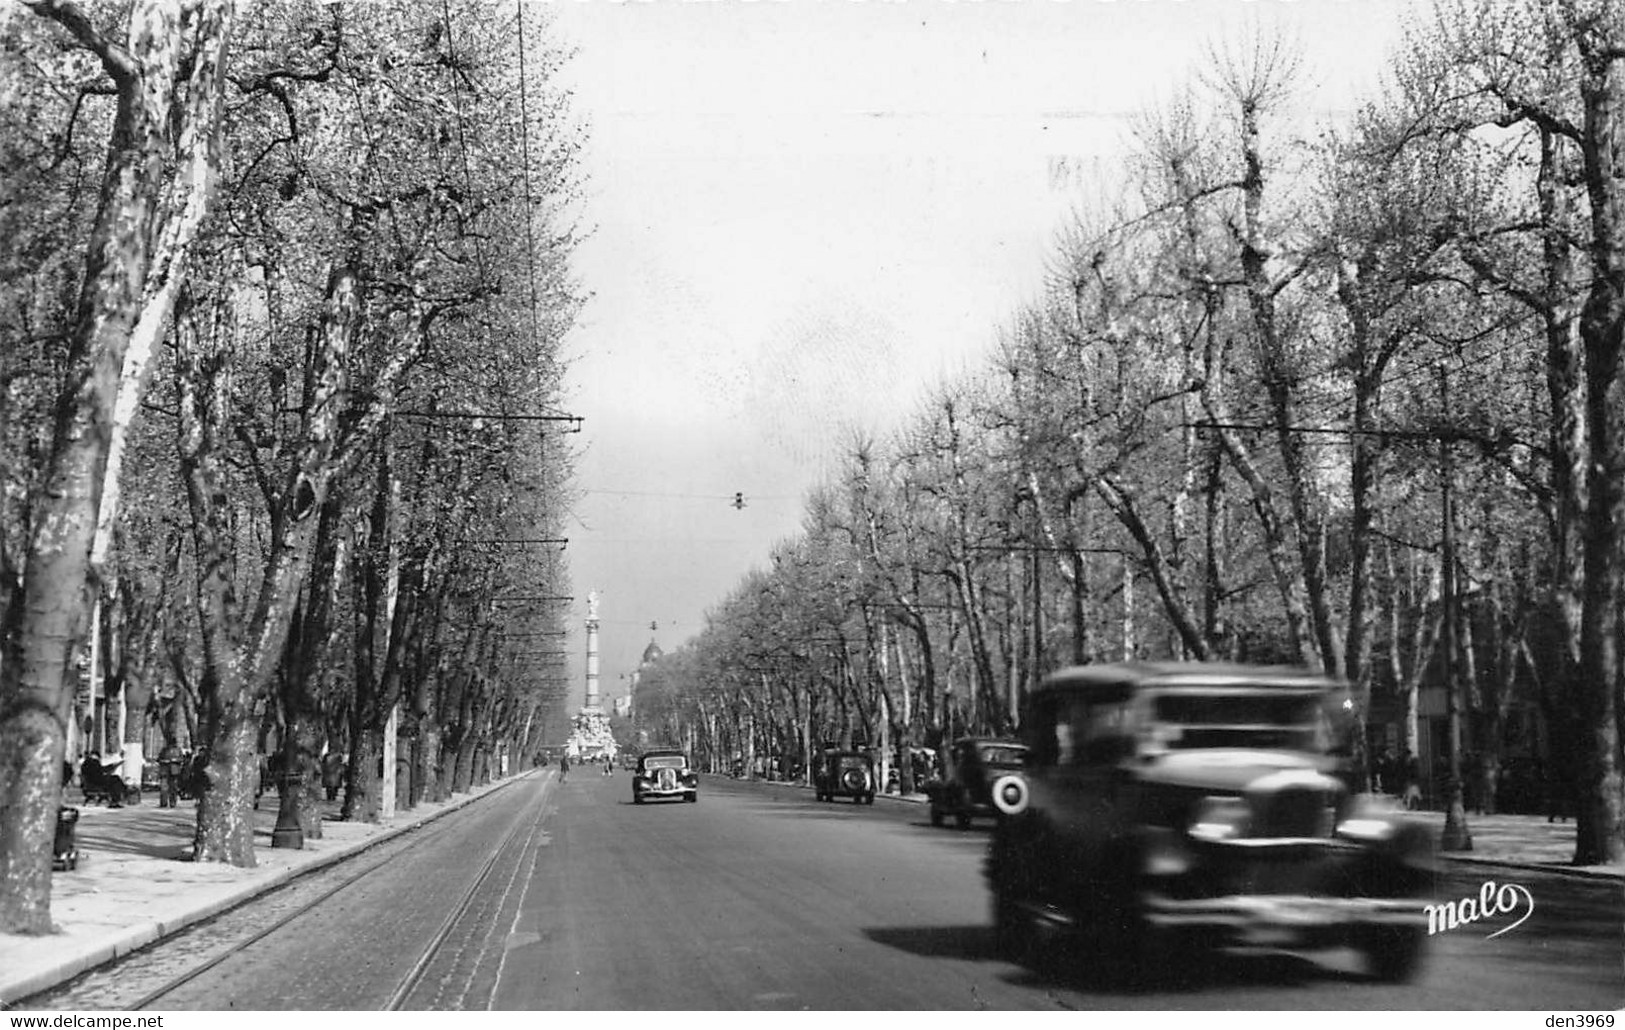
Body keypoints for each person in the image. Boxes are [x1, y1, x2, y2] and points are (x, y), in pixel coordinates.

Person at [158, 741, 184, 808]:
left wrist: (175, 760)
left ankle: (173, 802)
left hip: (174, 771)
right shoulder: (164, 750)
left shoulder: (178, 750)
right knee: (163, 788)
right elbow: (159, 759)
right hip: (165, 771)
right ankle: (163, 802)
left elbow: (181, 759)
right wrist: (164, 761)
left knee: (173, 788)